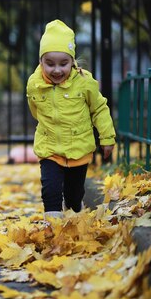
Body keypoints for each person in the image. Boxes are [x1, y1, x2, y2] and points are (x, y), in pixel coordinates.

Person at [26, 19, 115, 221]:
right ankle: (53, 227)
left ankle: (74, 208)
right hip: (50, 148)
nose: (57, 70)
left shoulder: (84, 83)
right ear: (41, 62)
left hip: (78, 148)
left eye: (63, 64)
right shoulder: (34, 84)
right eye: (50, 64)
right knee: (50, 191)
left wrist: (107, 138)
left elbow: (99, 109)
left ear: (73, 61)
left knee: (74, 196)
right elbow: (35, 110)